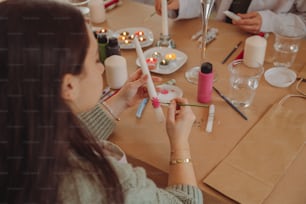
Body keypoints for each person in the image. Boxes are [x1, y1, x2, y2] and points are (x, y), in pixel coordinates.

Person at [0, 0, 203, 203]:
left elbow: (55, 140)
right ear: (69, 86)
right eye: (96, 59)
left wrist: (117, 103)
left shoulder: (18, 137)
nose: (102, 69)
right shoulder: (101, 182)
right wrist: (180, 144)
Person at [154, 0, 306, 34]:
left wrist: (271, 22)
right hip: (223, 37)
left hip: (272, 49)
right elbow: (208, 2)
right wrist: (181, 3)